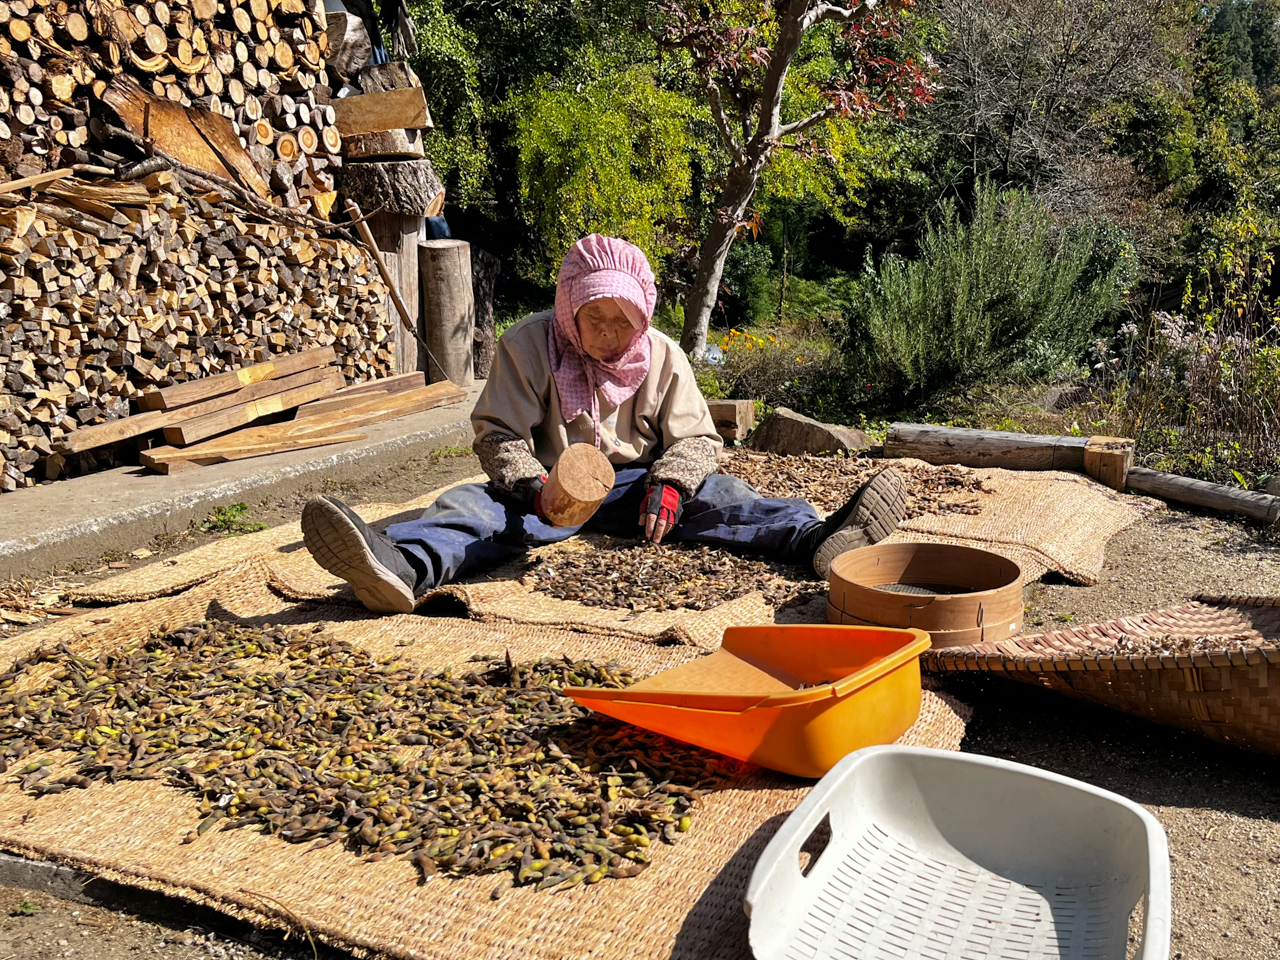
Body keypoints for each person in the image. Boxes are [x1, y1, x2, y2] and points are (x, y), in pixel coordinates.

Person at [300, 234, 905, 614]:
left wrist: (672, 485)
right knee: (469, 508)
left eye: (624, 320)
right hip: (543, 493)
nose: (611, 334)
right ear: (570, 307)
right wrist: (533, 488)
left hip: (642, 490)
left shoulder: (662, 354)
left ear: (643, 315)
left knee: (726, 497)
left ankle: (819, 539)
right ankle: (402, 566)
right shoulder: (528, 345)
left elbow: (698, 438)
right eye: (596, 317)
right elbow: (498, 434)